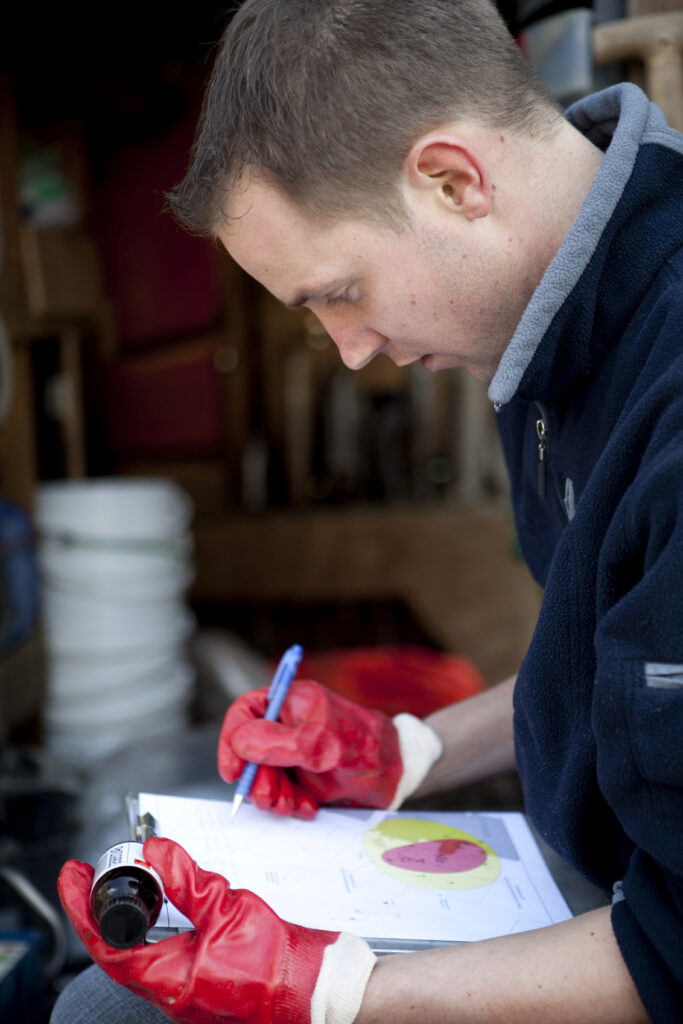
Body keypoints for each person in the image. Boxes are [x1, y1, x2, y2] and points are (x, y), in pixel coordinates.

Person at [53, 0, 683, 1021]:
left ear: (452, 180)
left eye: (339, 291)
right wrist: (408, 752)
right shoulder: (537, 328)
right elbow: (608, 671)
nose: (348, 350)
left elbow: (672, 949)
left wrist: (338, 990)